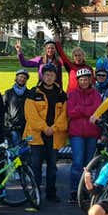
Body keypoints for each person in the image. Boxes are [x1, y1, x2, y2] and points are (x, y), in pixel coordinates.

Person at [24, 63, 68, 202]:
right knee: (36, 166)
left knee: (52, 167)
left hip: (54, 135)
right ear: (42, 75)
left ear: (56, 76)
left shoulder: (61, 94)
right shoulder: (33, 92)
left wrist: (53, 128)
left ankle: (51, 194)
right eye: (47, 74)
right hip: (37, 135)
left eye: (52, 75)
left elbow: (64, 115)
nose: (49, 77)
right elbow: (30, 115)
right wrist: (44, 128)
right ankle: (35, 194)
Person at [67, 68, 102, 204]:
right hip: (76, 133)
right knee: (77, 162)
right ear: (78, 81)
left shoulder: (96, 94)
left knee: (89, 164)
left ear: (90, 80)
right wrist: (86, 111)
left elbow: (97, 110)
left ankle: (86, 190)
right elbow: (71, 112)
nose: (84, 82)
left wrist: (80, 109)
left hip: (92, 132)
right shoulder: (73, 94)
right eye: (81, 80)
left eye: (86, 79)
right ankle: (74, 190)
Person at [3, 69, 32, 145]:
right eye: (20, 77)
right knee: (15, 151)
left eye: (24, 78)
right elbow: (2, 109)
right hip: (12, 127)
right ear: (16, 78)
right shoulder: (8, 93)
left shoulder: (29, 94)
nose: (22, 79)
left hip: (26, 128)